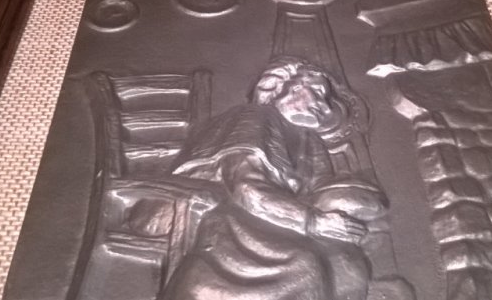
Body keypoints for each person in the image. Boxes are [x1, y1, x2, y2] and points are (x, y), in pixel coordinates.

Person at [160, 57, 388, 300]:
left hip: (289, 220)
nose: (324, 107)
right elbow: (246, 187)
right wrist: (314, 221)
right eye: (318, 92)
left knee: (347, 264)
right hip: (240, 220)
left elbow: (320, 190)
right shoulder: (254, 118)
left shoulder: (309, 141)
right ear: (287, 88)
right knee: (305, 266)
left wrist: (355, 203)